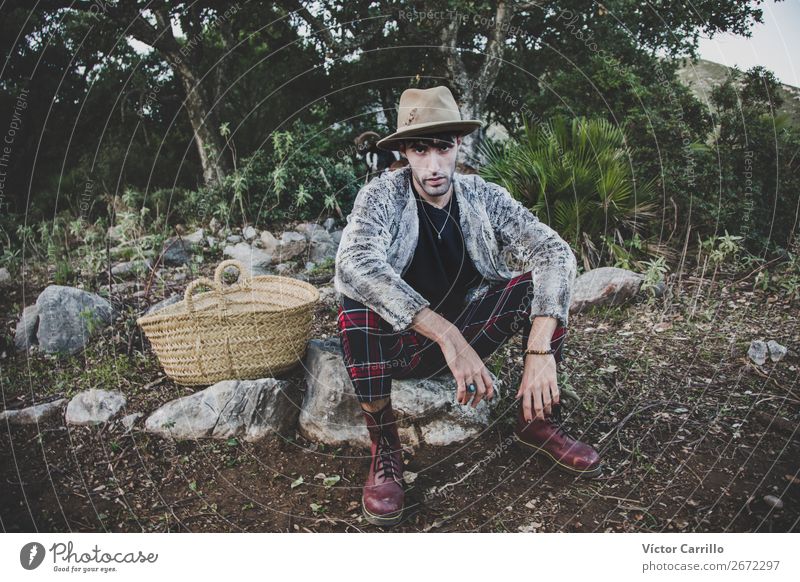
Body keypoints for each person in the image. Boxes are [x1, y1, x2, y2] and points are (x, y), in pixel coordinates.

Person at [333, 85, 602, 527]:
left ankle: (536, 421)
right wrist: (447, 336)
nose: (434, 165)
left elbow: (554, 252)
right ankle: (385, 449)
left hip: (472, 335)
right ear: (404, 151)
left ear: (459, 144)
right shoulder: (381, 196)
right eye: (420, 149)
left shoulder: (483, 196)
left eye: (443, 147)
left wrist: (540, 351)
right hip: (403, 348)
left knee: (540, 284)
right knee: (355, 304)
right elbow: (355, 262)